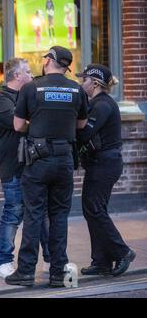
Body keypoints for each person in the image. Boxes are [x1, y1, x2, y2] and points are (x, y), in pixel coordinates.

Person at [5, 46, 88, 287]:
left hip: (39, 158)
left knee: (34, 215)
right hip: (65, 158)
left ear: (49, 61)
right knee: (60, 216)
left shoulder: (32, 88)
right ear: (66, 66)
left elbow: (18, 125)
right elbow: (81, 124)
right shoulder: (76, 89)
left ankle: (26, 272)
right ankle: (57, 273)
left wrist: (40, 126)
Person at [0, 58, 51, 279]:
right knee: (13, 213)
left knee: (41, 213)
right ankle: (4, 262)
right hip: (13, 167)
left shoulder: (28, 95)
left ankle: (50, 258)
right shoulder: (1, 99)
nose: (31, 74)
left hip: (33, 166)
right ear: (16, 76)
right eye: (27, 71)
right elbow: (20, 125)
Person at [76, 64, 136, 277]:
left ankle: (122, 251)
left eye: (83, 80)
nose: (81, 83)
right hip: (100, 163)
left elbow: (85, 134)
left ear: (95, 83)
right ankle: (101, 261)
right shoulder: (98, 103)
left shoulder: (102, 105)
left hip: (104, 164)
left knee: (93, 209)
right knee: (93, 209)